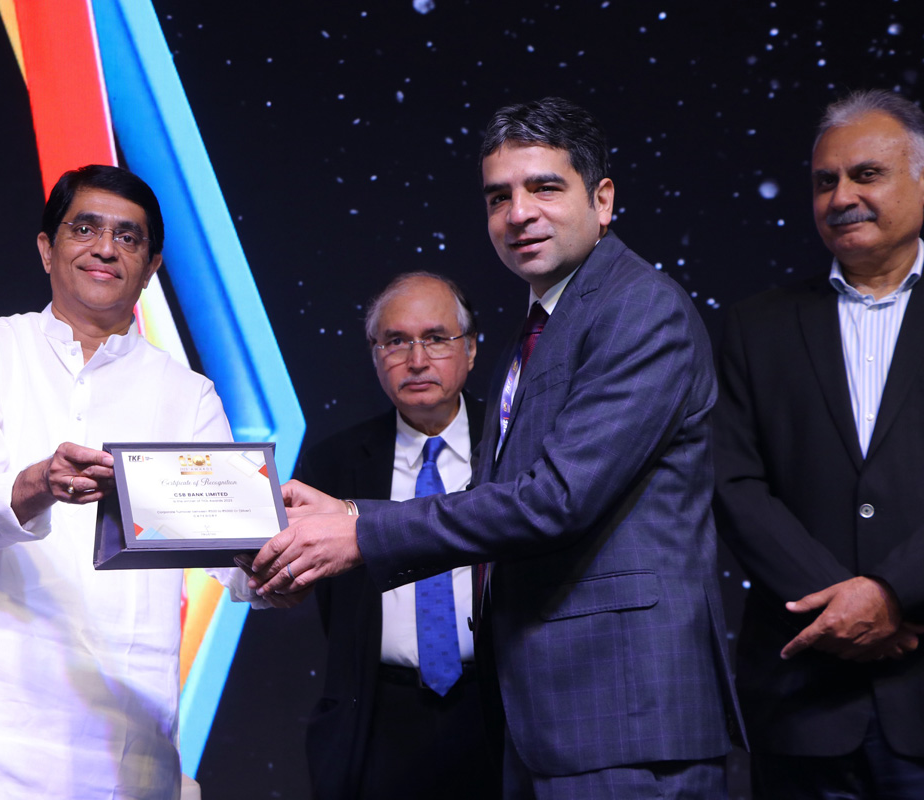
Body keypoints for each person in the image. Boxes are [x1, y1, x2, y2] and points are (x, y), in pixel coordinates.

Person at [248, 97, 741, 798]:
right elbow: (497, 504)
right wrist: (332, 530)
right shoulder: (535, 330)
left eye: (545, 187)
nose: (518, 213)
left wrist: (360, 528)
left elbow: (556, 500)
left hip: (623, 715)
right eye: (498, 197)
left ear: (602, 200)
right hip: (543, 720)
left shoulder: (639, 308)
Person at [0, 165, 259, 799]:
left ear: (152, 266)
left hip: (121, 751)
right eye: (84, 229)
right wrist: (37, 484)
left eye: (128, 237)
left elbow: (236, 556)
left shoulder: (188, 395)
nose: (105, 248)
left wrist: (281, 562)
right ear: (46, 248)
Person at [713, 88, 924, 799]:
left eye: (867, 175)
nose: (842, 197)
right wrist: (843, 606)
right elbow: (731, 484)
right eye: (825, 181)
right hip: (801, 701)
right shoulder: (755, 326)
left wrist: (892, 593)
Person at [296, 272, 498, 799]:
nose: (416, 360)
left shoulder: (514, 446)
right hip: (377, 718)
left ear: (471, 348)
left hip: (499, 711)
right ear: (374, 354)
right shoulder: (332, 464)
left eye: (436, 338)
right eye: (396, 341)